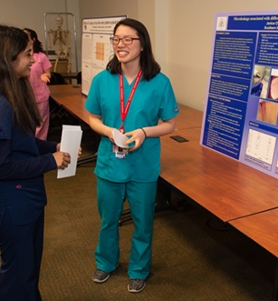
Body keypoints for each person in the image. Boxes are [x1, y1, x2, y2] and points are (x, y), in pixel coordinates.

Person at [0, 24, 77, 301]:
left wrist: (51, 146)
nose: (33, 60)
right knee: (19, 273)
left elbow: (21, 143)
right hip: (11, 203)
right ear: (7, 59)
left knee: (26, 270)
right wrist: (49, 161)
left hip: (23, 199)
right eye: (27, 54)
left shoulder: (9, 95)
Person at [84, 18, 179, 293]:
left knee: (143, 223)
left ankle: (139, 269)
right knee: (108, 220)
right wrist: (109, 130)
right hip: (110, 164)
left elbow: (170, 124)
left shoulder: (160, 82)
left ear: (142, 44)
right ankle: (106, 261)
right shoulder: (103, 79)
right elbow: (93, 118)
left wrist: (144, 132)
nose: (120, 44)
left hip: (143, 166)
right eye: (116, 39)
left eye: (128, 39)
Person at [23, 28, 52, 140]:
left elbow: (48, 73)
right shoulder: (20, 55)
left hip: (39, 95)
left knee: (40, 124)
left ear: (33, 39)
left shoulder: (41, 56)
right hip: (25, 96)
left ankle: (39, 148)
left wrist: (46, 76)